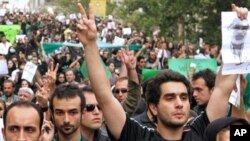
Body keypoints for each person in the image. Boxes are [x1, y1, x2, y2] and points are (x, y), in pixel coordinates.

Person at [76, 3, 245, 141]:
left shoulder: (200, 133)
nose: (179, 103)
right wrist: (90, 44)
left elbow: (223, 88)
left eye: (184, 97)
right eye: (170, 98)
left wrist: (238, 28)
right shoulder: (138, 136)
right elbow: (105, 96)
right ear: (154, 107)